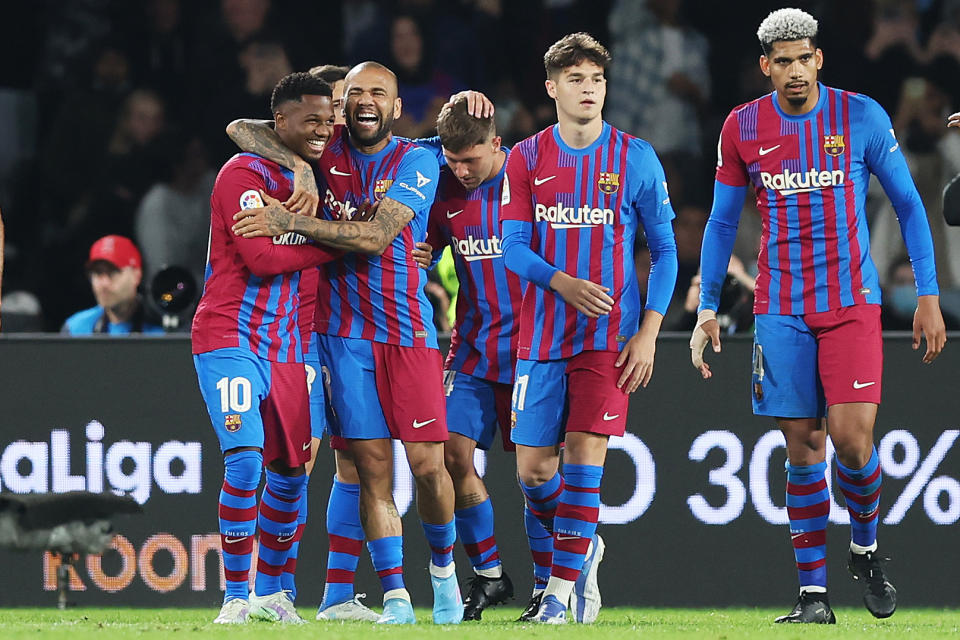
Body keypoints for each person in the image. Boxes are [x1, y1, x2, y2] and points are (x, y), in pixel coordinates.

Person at [690, 8, 946, 625]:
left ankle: (865, 546)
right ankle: (812, 598)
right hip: (781, 310)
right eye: (783, 62)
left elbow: (910, 206)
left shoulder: (861, 115)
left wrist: (930, 295)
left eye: (804, 58)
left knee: (853, 444)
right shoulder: (742, 127)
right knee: (803, 448)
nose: (796, 71)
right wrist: (705, 310)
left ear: (819, 59)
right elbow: (723, 222)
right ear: (766, 67)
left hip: (852, 303)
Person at [228, 61, 462, 625]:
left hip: (408, 334)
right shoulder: (323, 152)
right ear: (340, 106)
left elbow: (379, 236)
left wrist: (294, 218)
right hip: (341, 337)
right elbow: (243, 128)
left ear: (396, 106)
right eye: (353, 93)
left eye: (377, 93)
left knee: (430, 467)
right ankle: (396, 599)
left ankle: (445, 576)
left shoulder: (416, 159)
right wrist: (298, 170)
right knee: (368, 467)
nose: (363, 102)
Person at [500, 32, 678, 624]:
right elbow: (513, 248)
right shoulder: (526, 158)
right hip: (543, 337)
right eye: (575, 79)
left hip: (609, 341)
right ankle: (585, 547)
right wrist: (562, 283)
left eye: (597, 79)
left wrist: (649, 332)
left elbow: (667, 252)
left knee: (582, 461)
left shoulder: (636, 157)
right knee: (533, 472)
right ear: (552, 88)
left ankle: (557, 593)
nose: (588, 89)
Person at [191, 72, 342, 625]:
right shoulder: (242, 173)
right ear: (281, 123)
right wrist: (331, 243)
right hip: (230, 335)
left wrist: (307, 217)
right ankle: (234, 597)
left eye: (329, 120)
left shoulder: (321, 172)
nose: (324, 130)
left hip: (289, 347)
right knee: (247, 460)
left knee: (290, 473)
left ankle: (274, 595)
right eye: (312, 121)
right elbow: (260, 259)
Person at [410, 95, 522, 620]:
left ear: (496, 145)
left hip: (533, 351)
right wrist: (422, 253)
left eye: (471, 160)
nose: (461, 170)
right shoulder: (447, 194)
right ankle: (492, 574)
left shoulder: (529, 178)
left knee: (537, 473)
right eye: (452, 160)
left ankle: (562, 573)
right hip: (473, 348)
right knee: (450, 454)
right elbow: (422, 247)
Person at [62, 235, 165, 335]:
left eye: (113, 272)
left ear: (136, 275)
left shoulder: (163, 328)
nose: (104, 283)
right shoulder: (76, 329)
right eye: (98, 273)